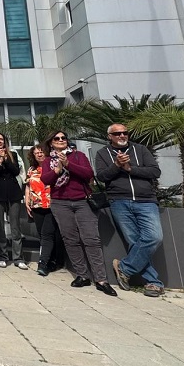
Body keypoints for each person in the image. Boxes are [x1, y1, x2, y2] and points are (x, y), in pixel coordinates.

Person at [40, 131, 118, 297]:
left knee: (91, 239)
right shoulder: (48, 161)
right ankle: (82, 275)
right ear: (51, 143)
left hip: (82, 201)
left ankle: (101, 279)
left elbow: (88, 174)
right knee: (70, 240)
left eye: (63, 138)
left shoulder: (78, 156)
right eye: (57, 139)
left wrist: (67, 164)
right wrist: (57, 170)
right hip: (60, 203)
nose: (61, 140)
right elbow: (45, 180)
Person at [95, 124, 165, 297]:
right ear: (109, 136)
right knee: (133, 241)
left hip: (146, 200)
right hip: (119, 200)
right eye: (117, 133)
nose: (122, 135)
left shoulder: (140, 150)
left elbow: (155, 171)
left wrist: (130, 169)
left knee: (154, 237)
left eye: (125, 133)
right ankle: (153, 282)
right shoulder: (103, 153)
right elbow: (102, 176)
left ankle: (124, 267)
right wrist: (117, 165)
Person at [0, 133, 27, 270]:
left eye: (1, 139)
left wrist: (6, 159)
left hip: (13, 193)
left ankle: (18, 257)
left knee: (15, 227)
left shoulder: (12, 155)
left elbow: (16, 171)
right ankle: (2, 256)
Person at [25, 144, 66, 276]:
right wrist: (27, 201)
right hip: (36, 206)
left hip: (51, 205)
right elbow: (28, 186)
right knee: (43, 235)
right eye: (36, 153)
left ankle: (43, 263)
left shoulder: (53, 167)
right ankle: (51, 260)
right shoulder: (31, 169)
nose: (39, 154)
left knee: (47, 234)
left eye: (41, 152)